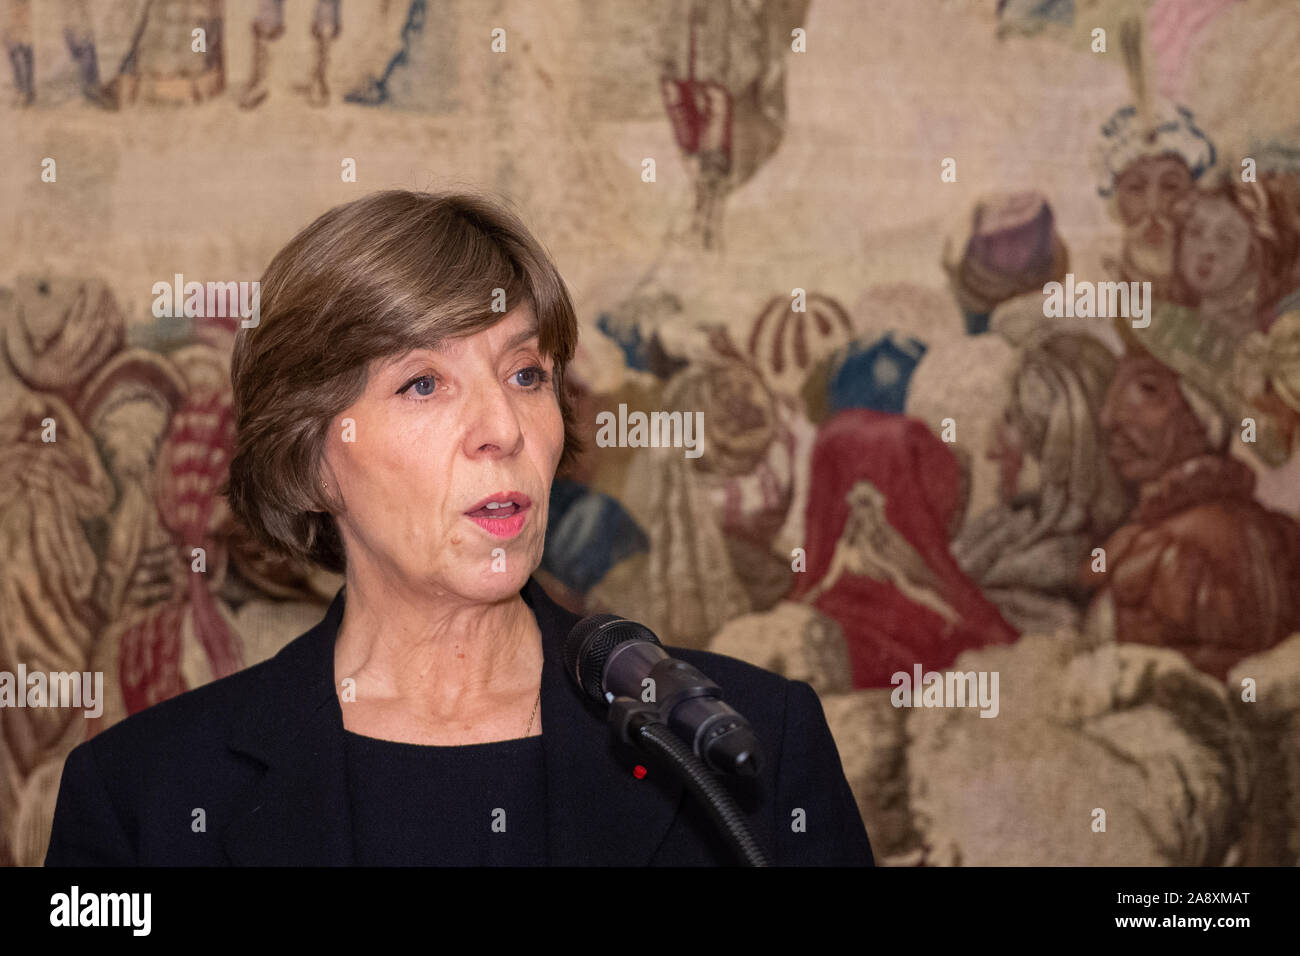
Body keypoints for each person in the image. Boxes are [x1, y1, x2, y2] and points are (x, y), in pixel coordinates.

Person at [44, 189, 873, 866]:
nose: (502, 428)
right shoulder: (141, 802)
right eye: (422, 384)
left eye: (524, 373)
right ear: (310, 463)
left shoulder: (750, 746)